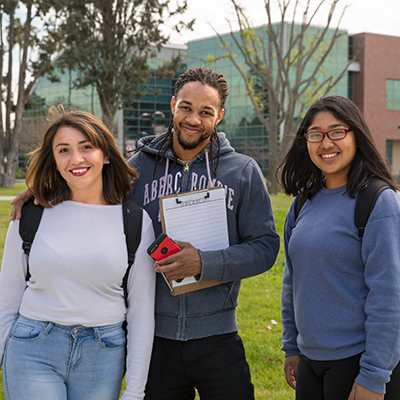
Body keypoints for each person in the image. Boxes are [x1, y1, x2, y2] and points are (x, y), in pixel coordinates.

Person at [11, 67, 280, 400]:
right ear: (172, 105)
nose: (193, 119)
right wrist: (40, 192)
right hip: (155, 341)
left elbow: (265, 247)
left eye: (205, 112)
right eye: (186, 107)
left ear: (220, 115)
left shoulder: (242, 171)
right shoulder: (136, 167)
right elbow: (89, 188)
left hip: (218, 337)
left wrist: (204, 262)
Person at [2, 106, 156, 400]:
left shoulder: (135, 221)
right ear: (55, 161)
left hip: (103, 355)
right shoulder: (30, 215)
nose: (76, 159)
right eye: (64, 150)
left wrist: (135, 392)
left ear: (106, 154)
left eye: (87, 147)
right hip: (32, 349)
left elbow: (141, 313)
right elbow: (6, 300)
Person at [277, 95, 400, 400]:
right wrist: (291, 345)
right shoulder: (302, 203)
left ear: (356, 135)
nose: (326, 143)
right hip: (309, 362)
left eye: (337, 132)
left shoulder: (378, 202)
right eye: (315, 134)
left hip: (357, 362)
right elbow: (293, 281)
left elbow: (390, 295)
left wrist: (374, 374)